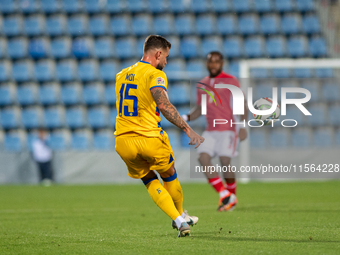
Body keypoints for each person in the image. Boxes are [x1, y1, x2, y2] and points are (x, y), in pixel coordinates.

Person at [115, 35, 214, 237]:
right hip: (149, 138)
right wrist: (188, 129)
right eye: (166, 57)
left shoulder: (121, 74)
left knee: (149, 180)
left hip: (123, 140)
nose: (166, 62)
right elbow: (163, 105)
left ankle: (179, 220)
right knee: (169, 174)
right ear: (158, 53)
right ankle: (180, 216)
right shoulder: (154, 74)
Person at [182, 51, 248, 212]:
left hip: (228, 129)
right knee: (203, 158)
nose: (214, 65)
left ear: (222, 63)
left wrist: (243, 125)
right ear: (206, 64)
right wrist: (185, 117)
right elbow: (199, 109)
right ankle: (225, 194)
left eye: (217, 62)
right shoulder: (202, 84)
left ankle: (230, 197)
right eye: (211, 62)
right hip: (210, 130)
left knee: (225, 161)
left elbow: (241, 104)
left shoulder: (231, 80)